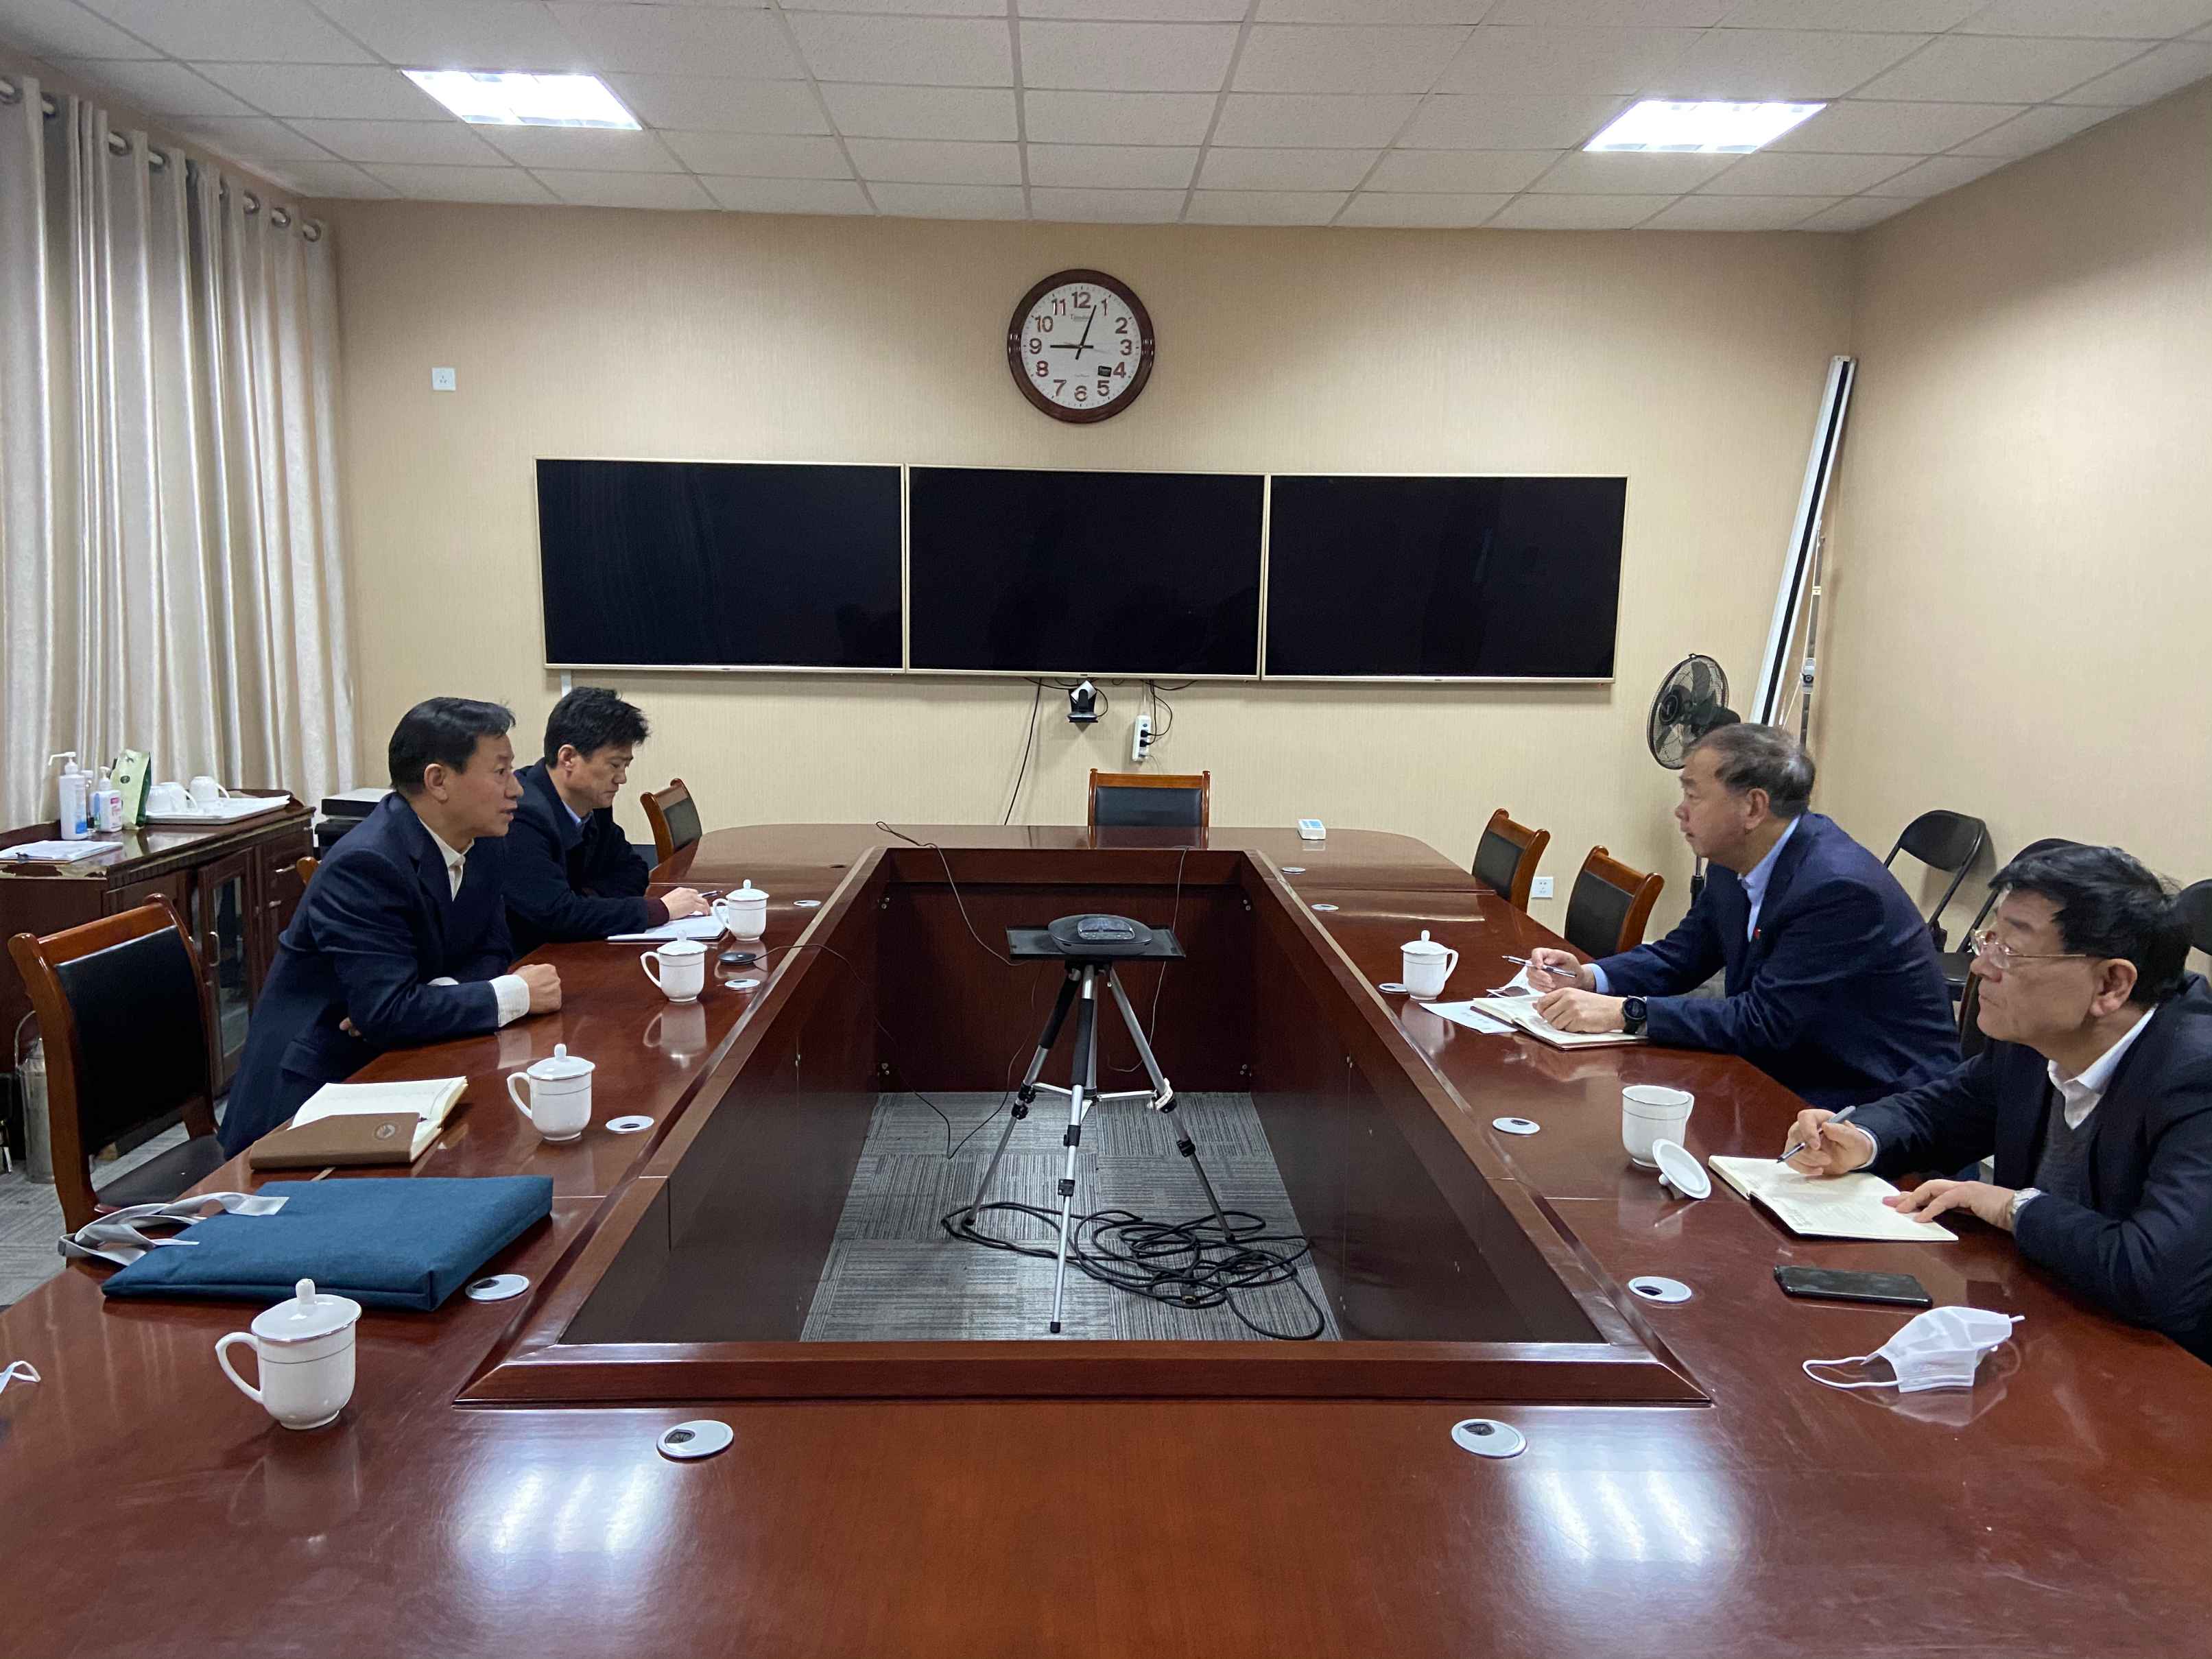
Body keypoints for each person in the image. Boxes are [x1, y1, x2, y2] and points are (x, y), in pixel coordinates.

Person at [1785, 846, 2212, 1363]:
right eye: (1988, 939)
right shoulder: (2033, 1037)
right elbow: (1939, 1113)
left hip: (2165, 1379)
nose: (1981, 966)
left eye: (2010, 951)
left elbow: (2151, 1276)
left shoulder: (2195, 1074)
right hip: (2046, 1325)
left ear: (2110, 984)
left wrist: (2013, 1205)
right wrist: (1857, 1138)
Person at [1527, 724, 1958, 1108]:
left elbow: (1764, 1021)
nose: (1681, 810)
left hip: (1875, 1102)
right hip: (1787, 1075)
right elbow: (1681, 956)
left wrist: (1627, 1012)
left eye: (1693, 795)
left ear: (1753, 808)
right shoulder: (1731, 861)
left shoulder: (1838, 890)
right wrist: (1590, 977)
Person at [219, 698, 560, 1154]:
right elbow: (387, 1011)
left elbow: (492, 951)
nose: (516, 789)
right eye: (500, 771)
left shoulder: (484, 843)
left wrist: (427, 997)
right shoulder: (367, 864)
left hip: (404, 1064)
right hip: (311, 1097)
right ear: (438, 780)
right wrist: (512, 993)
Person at [504, 687, 706, 956]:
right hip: (530, 960)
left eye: (626, 766)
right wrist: (659, 910)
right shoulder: (520, 815)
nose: (622, 778)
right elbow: (557, 915)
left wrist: (584, 900)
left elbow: (633, 869)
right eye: (614, 765)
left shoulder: (593, 803)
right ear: (568, 758)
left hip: (578, 947)